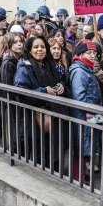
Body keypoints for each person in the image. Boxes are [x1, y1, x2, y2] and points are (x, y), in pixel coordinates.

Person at [14, 35, 69, 166]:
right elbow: (21, 95)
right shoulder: (24, 69)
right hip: (35, 119)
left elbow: (58, 81)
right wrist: (44, 91)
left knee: (55, 151)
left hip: (53, 116)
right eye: (36, 47)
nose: (40, 50)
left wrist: (61, 85)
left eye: (43, 47)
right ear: (29, 50)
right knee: (41, 155)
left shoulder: (49, 66)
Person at [69, 40, 102, 182]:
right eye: (89, 53)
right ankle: (78, 177)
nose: (92, 55)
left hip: (90, 113)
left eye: (94, 53)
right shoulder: (79, 70)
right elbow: (79, 95)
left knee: (86, 144)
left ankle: (82, 174)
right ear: (80, 54)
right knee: (81, 145)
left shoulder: (86, 68)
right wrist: (93, 109)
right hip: (84, 113)